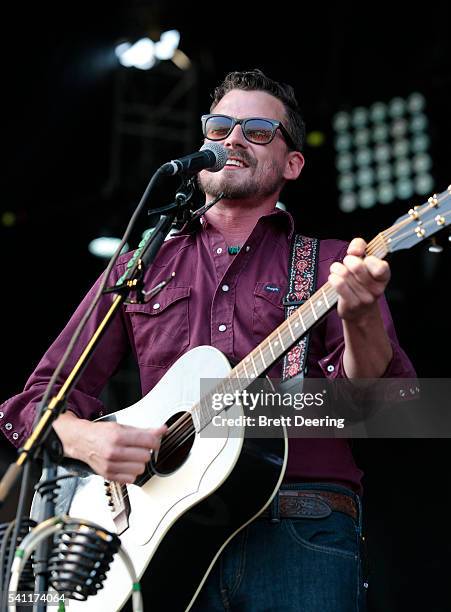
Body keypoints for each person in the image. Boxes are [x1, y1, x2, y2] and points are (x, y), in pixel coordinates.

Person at [0, 69, 416, 611]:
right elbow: (38, 398)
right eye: (219, 127)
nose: (233, 139)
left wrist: (360, 318)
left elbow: (388, 409)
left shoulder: (334, 264)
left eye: (258, 130)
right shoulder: (141, 264)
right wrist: (84, 439)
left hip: (299, 524)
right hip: (165, 536)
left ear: (293, 163)